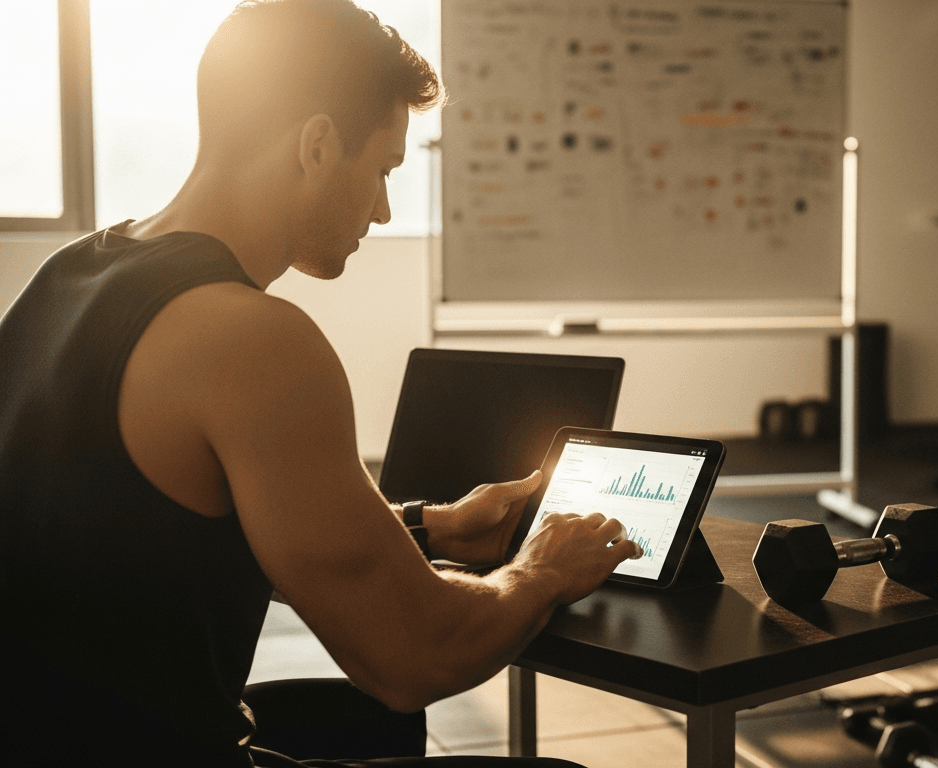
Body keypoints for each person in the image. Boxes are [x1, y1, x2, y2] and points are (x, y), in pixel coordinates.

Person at [0, 1, 641, 765]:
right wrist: (541, 569)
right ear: (315, 144)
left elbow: (149, 545)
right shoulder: (253, 342)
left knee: (355, 726)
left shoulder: (66, 275)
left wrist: (430, 527)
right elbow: (416, 655)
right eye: (382, 170)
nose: (383, 208)